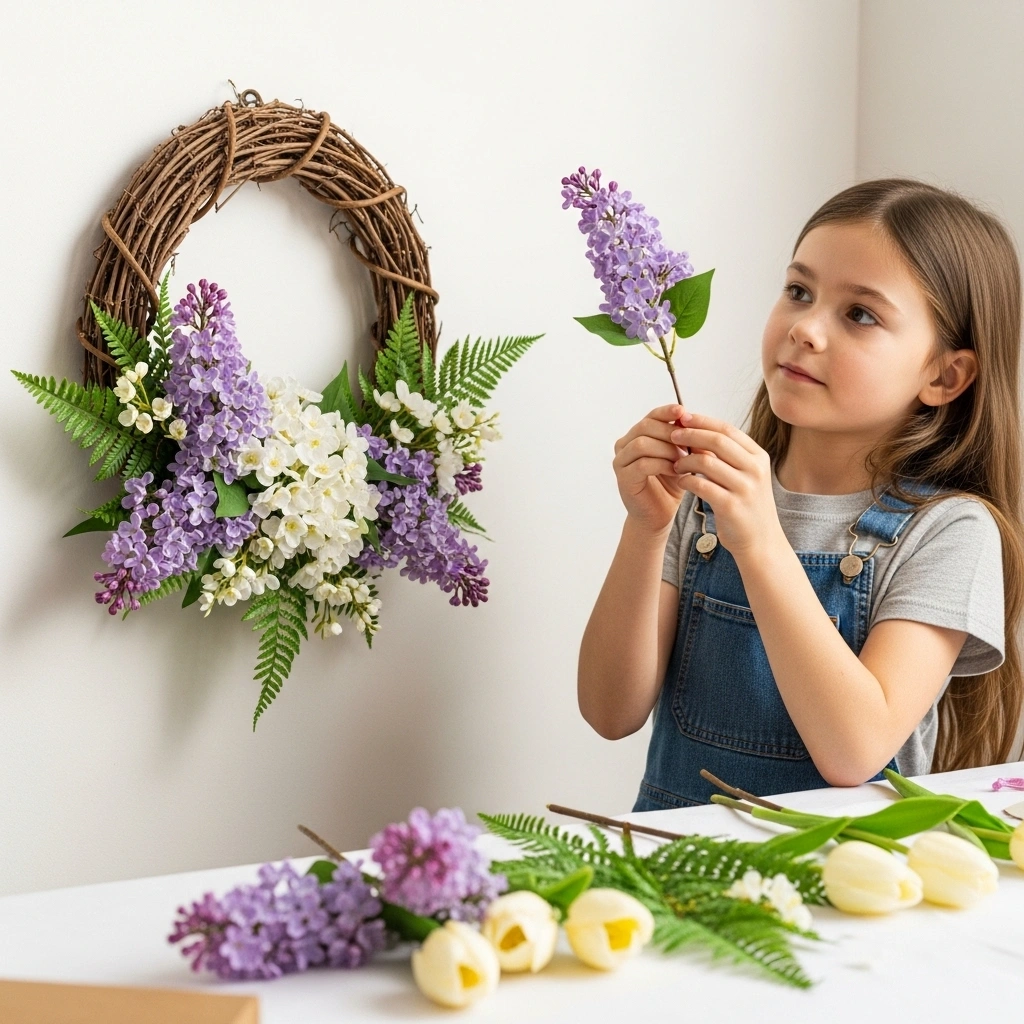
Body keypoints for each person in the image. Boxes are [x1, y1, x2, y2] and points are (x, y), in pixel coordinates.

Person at [577, 178, 1024, 810]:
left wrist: (759, 543)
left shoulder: (951, 530)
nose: (806, 328)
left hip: (834, 895)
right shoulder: (704, 499)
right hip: (674, 883)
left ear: (943, 375)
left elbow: (856, 749)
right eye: (798, 291)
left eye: (859, 314)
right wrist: (646, 528)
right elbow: (608, 710)